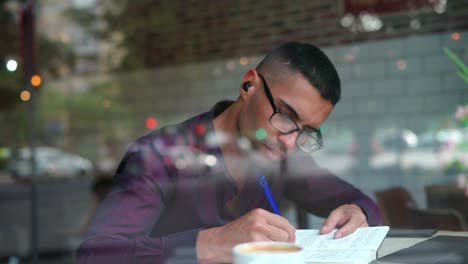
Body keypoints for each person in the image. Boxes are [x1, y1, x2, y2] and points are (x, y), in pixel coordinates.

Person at [76, 42, 380, 264]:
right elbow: (95, 254)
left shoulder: (283, 158)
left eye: (306, 131)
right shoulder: (158, 155)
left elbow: (357, 202)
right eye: (286, 116)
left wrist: (358, 212)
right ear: (249, 85)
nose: (290, 142)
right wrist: (210, 243)